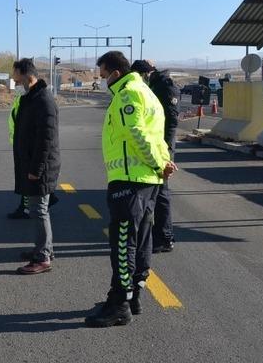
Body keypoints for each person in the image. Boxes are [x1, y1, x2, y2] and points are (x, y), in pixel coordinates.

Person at [86, 51, 177, 327]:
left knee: (123, 243)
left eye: (103, 75)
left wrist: (157, 163)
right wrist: (162, 163)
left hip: (129, 179)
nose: (102, 80)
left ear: (116, 73)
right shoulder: (147, 93)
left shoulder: (127, 94)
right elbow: (158, 136)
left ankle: (119, 304)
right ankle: (134, 296)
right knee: (142, 241)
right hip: (147, 180)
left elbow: (137, 133)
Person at [11, 59, 60, 275]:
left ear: (26, 76)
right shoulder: (31, 98)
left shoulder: (43, 100)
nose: (14, 81)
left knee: (39, 211)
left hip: (40, 167)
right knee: (39, 210)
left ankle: (43, 258)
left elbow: (46, 140)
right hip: (32, 164)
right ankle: (44, 249)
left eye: (16, 78)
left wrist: (36, 169)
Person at [131, 60, 179, 253]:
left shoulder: (164, 87)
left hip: (163, 147)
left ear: (144, 74)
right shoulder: (154, 86)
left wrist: (165, 151)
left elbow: (171, 122)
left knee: (161, 192)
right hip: (156, 145)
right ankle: (160, 235)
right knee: (156, 192)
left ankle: (164, 237)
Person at [7, 88, 60, 220]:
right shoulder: (21, 99)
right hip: (20, 143)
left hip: (27, 145)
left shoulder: (33, 100)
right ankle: (46, 199)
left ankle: (26, 209)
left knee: (28, 179)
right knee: (26, 178)